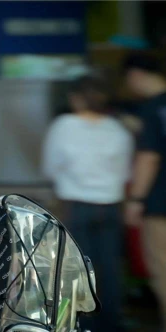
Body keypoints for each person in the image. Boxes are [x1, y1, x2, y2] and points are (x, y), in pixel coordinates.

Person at [42, 74, 132, 331]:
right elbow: (125, 173)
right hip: (112, 207)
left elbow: (50, 168)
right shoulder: (118, 129)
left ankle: (80, 324)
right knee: (110, 269)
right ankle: (112, 324)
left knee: (77, 269)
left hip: (75, 206)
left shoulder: (64, 126)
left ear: (77, 98)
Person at [122, 53, 166, 330]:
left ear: (135, 75)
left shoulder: (153, 108)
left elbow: (149, 158)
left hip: (161, 206)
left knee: (162, 270)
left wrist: (135, 200)